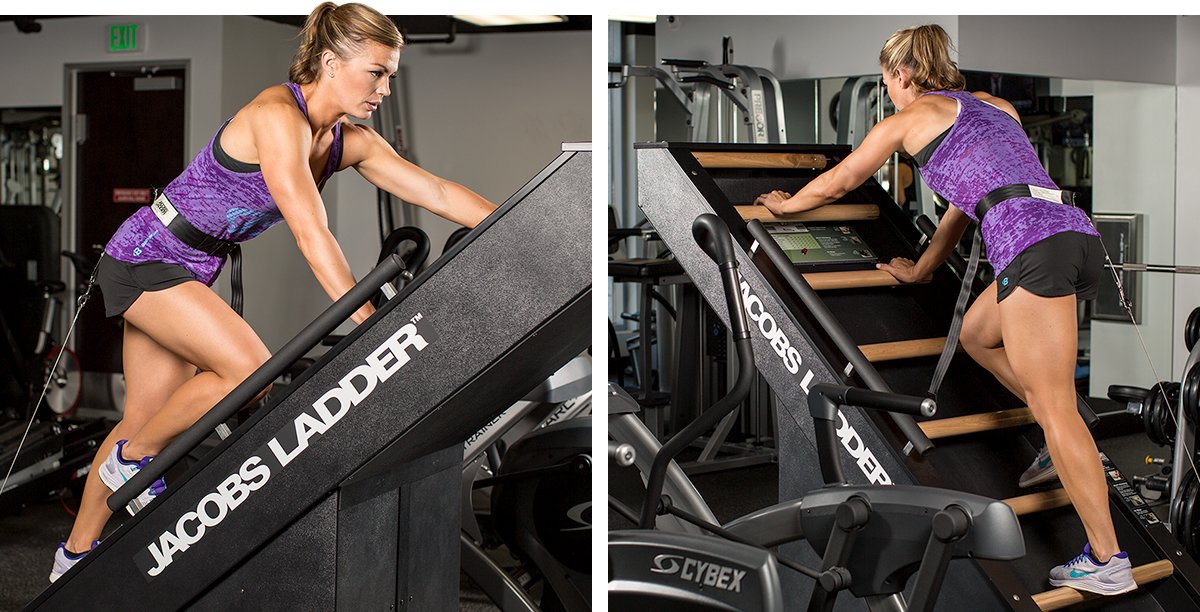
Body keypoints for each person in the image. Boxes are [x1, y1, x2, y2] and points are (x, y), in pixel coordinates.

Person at [50, 2, 495, 583]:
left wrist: (524, 221)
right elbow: (313, 232)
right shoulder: (274, 115)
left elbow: (435, 191)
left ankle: (72, 558)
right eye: (377, 71)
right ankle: (134, 461)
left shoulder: (345, 142)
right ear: (332, 62)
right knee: (247, 372)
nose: (385, 86)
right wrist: (371, 325)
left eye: (391, 73)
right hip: (147, 256)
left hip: (191, 267)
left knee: (145, 415)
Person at [754, 24, 1134, 596]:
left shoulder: (907, 121)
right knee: (979, 336)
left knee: (1054, 408)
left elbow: (840, 180)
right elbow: (969, 204)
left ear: (901, 75)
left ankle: (1108, 558)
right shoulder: (994, 106)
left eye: (887, 84)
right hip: (1071, 236)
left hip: (1031, 246)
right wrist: (924, 268)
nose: (889, 95)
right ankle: (1065, 425)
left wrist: (786, 208)